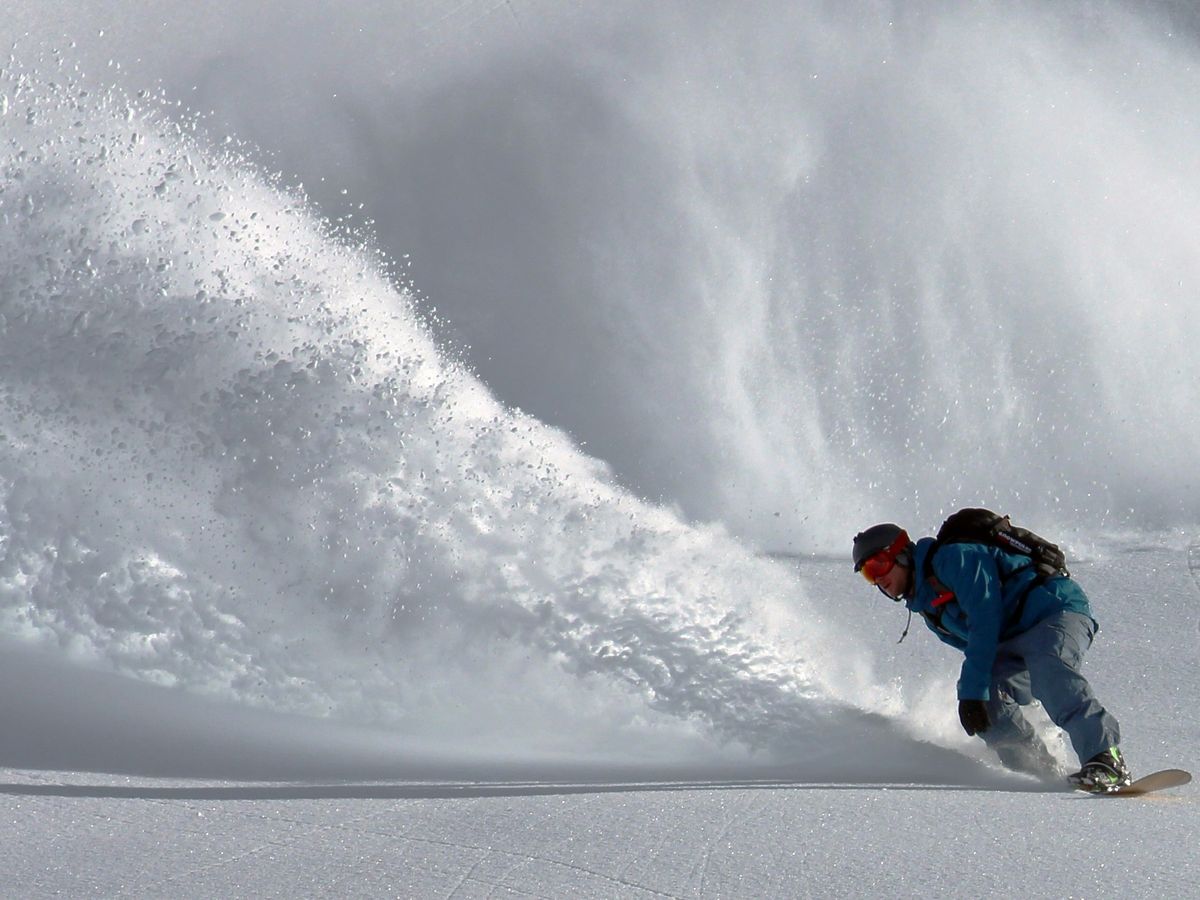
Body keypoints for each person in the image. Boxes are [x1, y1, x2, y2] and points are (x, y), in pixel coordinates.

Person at [851, 522, 1130, 791]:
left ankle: (1106, 760)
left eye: (878, 565)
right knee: (988, 704)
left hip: (1052, 611)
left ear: (901, 554)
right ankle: (1039, 771)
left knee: (1048, 669)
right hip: (1011, 642)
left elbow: (985, 619)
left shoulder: (954, 558)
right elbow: (979, 650)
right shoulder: (929, 610)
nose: (877, 580)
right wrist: (978, 695)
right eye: (867, 575)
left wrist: (972, 690)